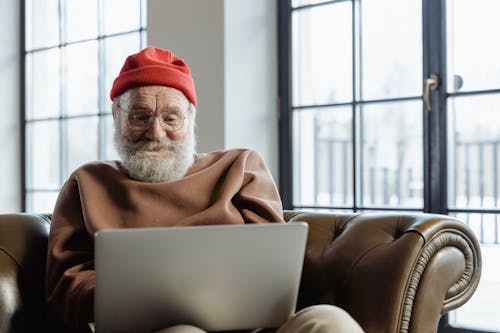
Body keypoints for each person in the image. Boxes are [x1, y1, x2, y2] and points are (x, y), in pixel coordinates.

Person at [45, 46, 364, 333]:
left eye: (171, 118)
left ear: (191, 120)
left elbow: (274, 267)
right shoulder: (85, 183)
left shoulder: (241, 167)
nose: (156, 133)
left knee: (328, 320)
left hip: (252, 329)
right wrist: (138, 301)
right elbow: (65, 286)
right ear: (117, 117)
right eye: (140, 116)